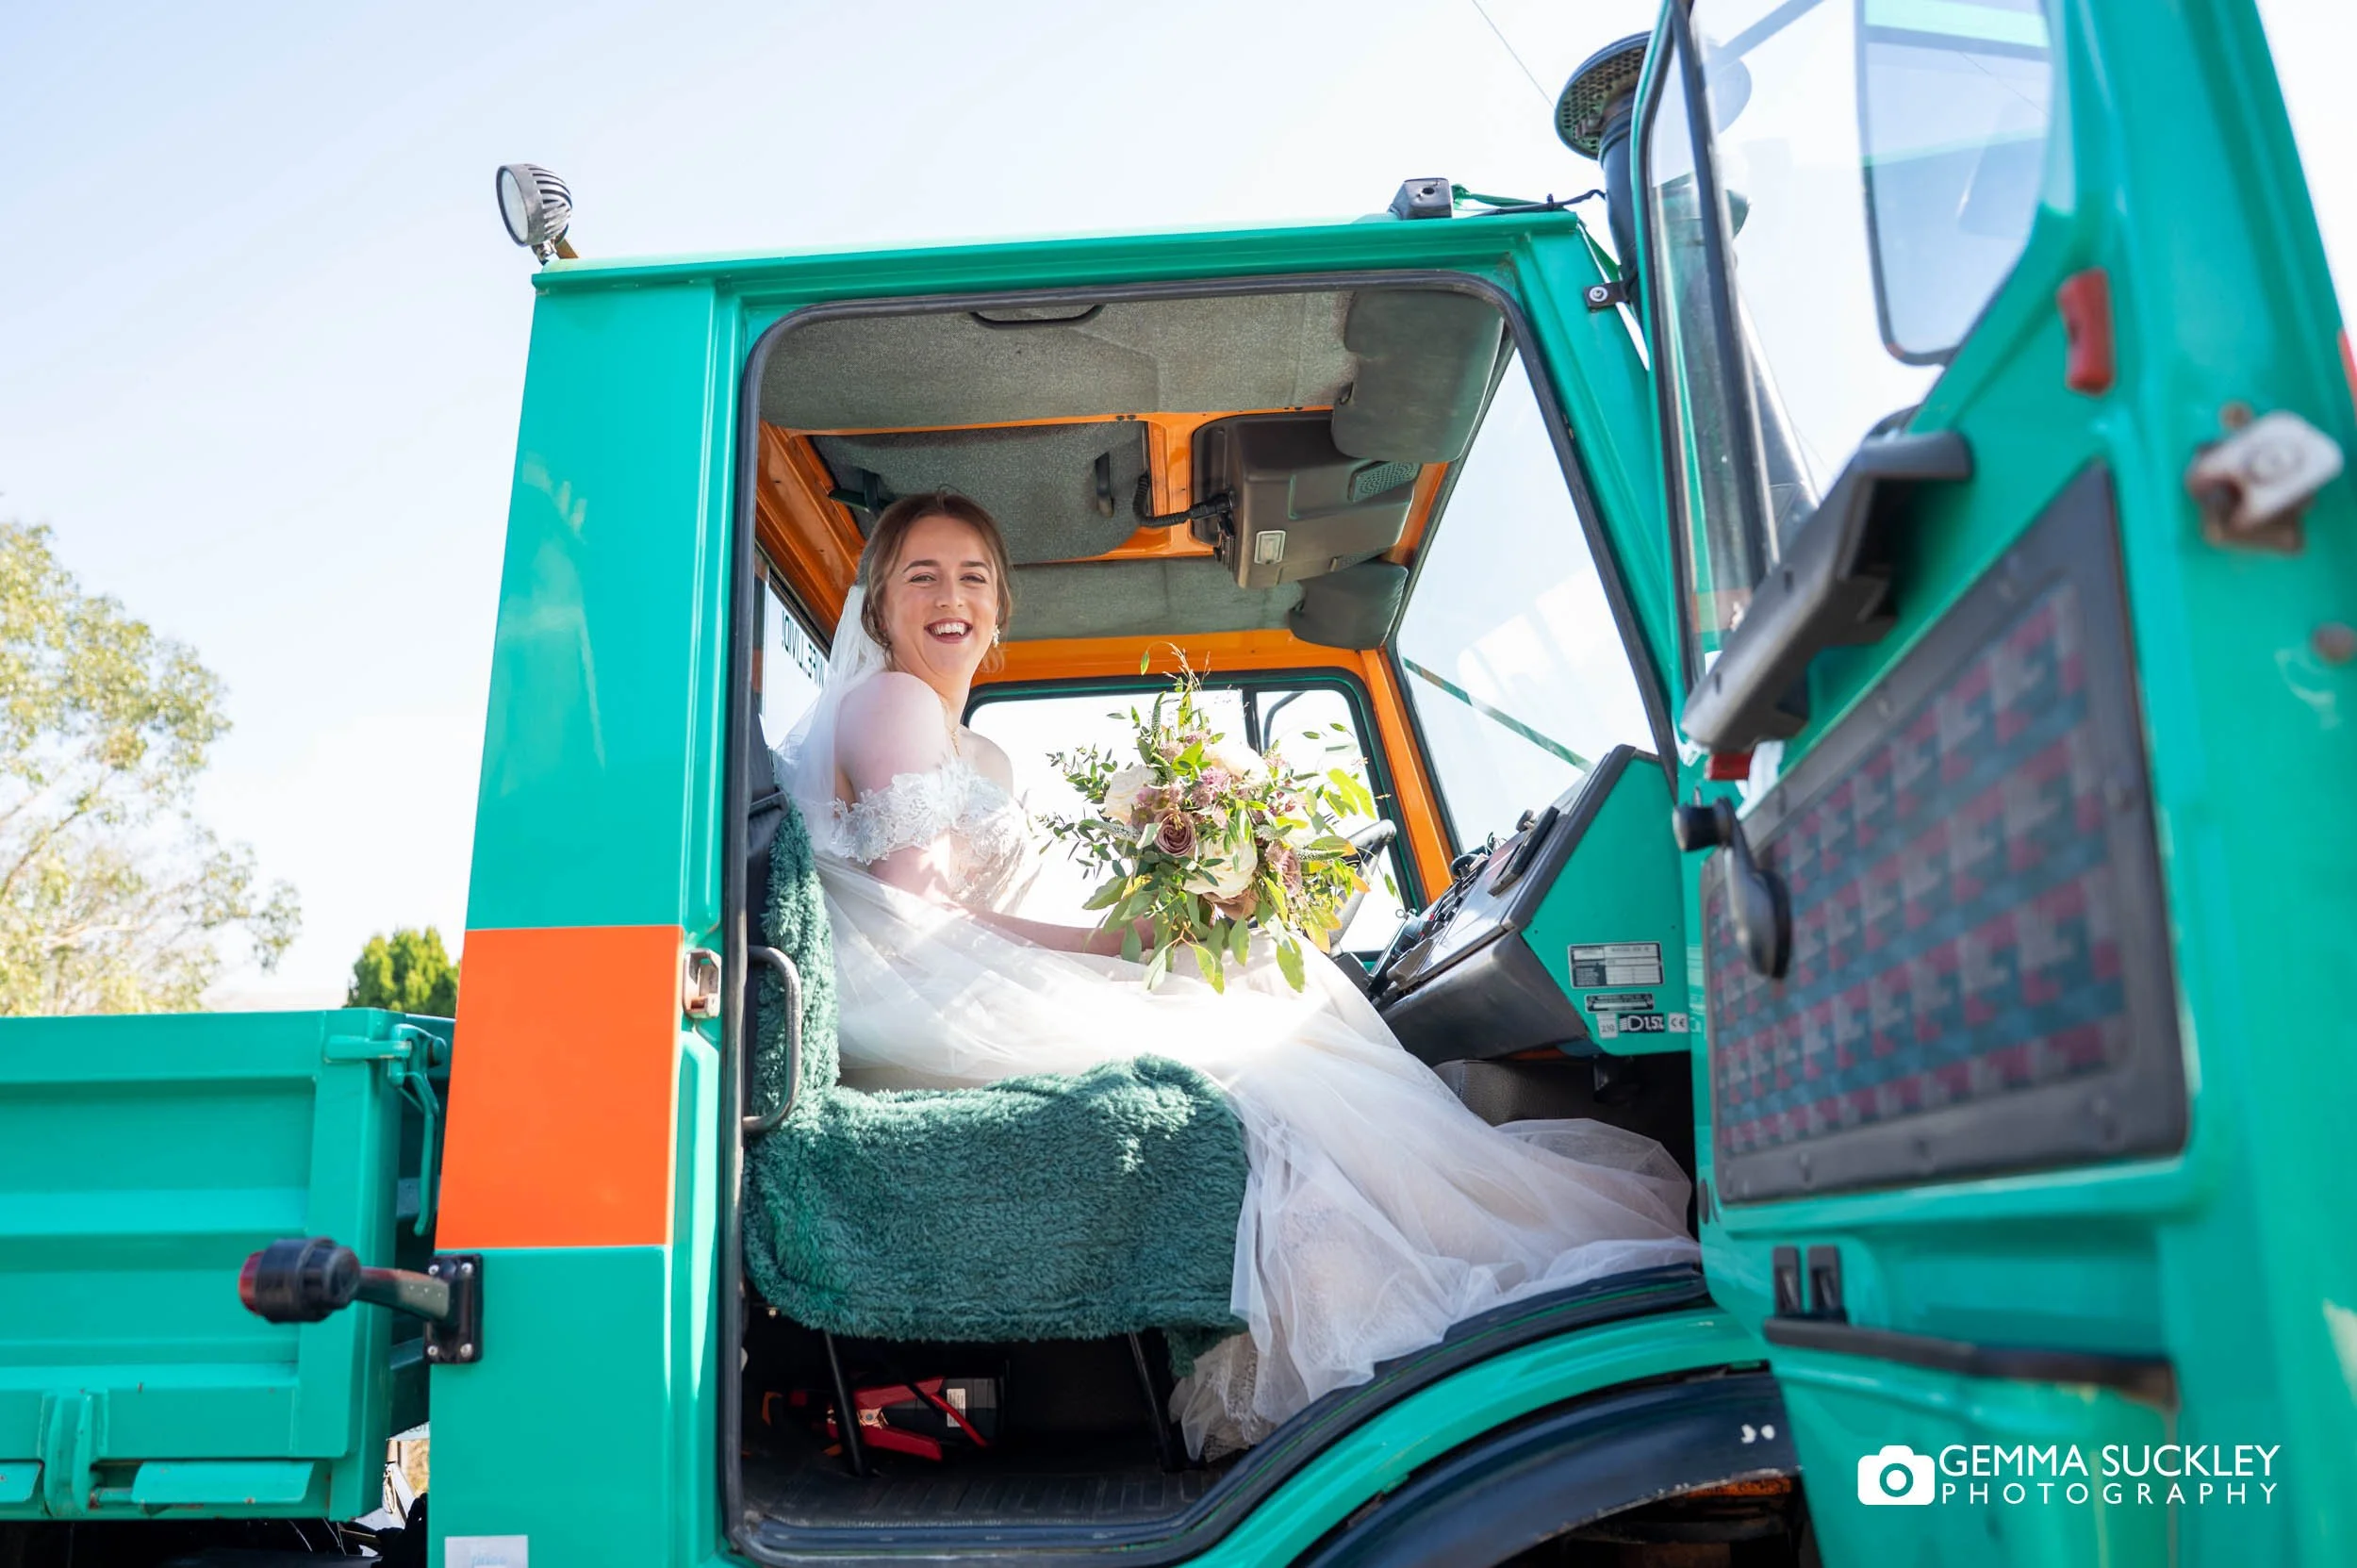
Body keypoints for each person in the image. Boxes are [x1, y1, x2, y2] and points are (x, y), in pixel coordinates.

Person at [772, 491, 1699, 1459]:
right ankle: (1403, 1333)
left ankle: (1415, 1307)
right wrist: (1123, 946)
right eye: (921, 575)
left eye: (972, 577)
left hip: (943, 977)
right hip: (912, 998)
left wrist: (1153, 931)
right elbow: (920, 915)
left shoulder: (981, 750)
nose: (949, 597)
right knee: (1273, 1027)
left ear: (1001, 605)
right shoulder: (893, 700)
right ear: (880, 603)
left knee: (1272, 987)